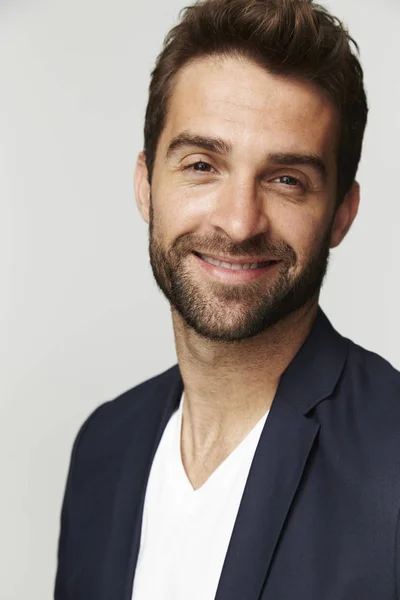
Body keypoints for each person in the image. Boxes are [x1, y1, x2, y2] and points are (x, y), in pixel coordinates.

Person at [54, 0, 400, 598]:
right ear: (146, 184)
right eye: (202, 165)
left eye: (286, 179)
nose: (240, 223)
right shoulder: (103, 448)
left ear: (342, 214)